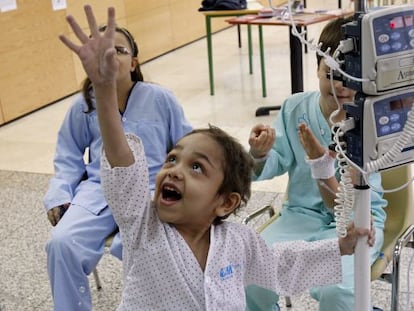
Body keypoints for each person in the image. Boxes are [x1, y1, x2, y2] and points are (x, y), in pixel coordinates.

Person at [58, 5, 376, 310]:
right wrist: (103, 90)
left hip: (334, 215)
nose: (174, 171)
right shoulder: (144, 228)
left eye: (197, 167)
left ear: (224, 202)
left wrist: (340, 247)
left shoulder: (235, 243)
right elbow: (122, 166)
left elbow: (281, 263)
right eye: (171, 159)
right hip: (301, 213)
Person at [43, 15, 192, 311]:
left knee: (145, 245)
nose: (111, 57)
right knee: (61, 244)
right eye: (103, 52)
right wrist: (60, 196)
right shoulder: (84, 105)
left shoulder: (161, 99)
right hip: (97, 191)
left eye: (119, 51)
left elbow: (187, 146)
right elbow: (67, 156)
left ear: (134, 63)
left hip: (149, 191)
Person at [246, 16, 386, 311]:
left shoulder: (371, 116)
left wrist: (319, 160)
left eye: (350, 76)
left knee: (338, 292)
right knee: (251, 275)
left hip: (359, 221)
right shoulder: (295, 108)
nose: (340, 87)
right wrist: (261, 154)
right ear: (317, 72)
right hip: (299, 215)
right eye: (330, 75)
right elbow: (273, 163)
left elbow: (349, 203)